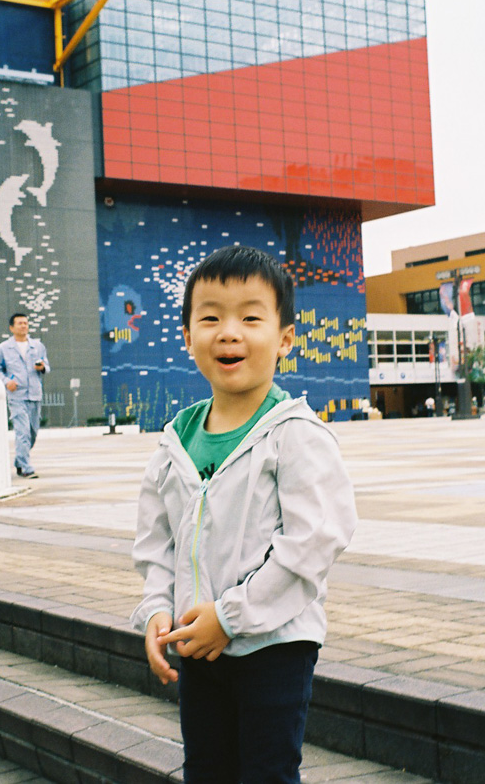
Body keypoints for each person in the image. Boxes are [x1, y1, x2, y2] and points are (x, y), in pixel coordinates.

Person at [130, 246, 357, 783]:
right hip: (198, 644)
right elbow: (157, 543)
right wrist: (158, 608)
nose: (229, 332)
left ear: (284, 338)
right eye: (210, 317)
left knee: (266, 773)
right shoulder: (174, 444)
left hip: (274, 644)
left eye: (251, 317)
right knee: (206, 770)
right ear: (187, 337)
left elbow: (314, 543)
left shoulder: (295, 435)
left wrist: (230, 618)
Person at [0, 313, 50, 479]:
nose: (24, 326)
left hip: (35, 394)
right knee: (22, 432)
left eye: (25, 323)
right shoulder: (4, 348)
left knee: (32, 432)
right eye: (20, 323)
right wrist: (6, 381)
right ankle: (26, 467)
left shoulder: (37, 346)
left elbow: (47, 366)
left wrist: (42, 367)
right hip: (16, 395)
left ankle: (19, 461)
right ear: (12, 328)